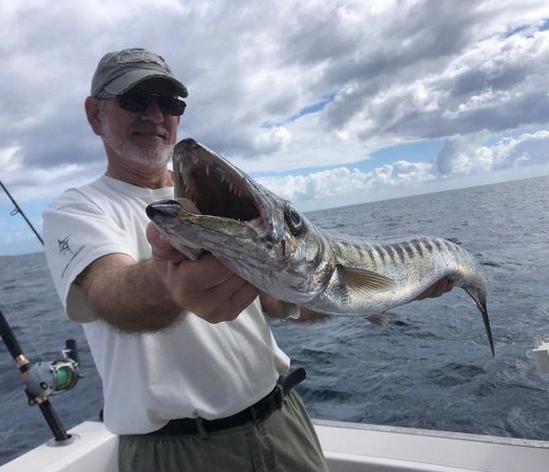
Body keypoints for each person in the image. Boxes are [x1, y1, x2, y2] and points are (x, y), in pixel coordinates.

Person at [43, 47, 453, 472]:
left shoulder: (219, 203)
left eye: (168, 103)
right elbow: (110, 292)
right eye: (133, 99)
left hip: (282, 421)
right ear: (95, 114)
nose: (154, 114)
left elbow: (282, 304)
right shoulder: (77, 211)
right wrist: (167, 280)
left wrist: (392, 290)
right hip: (173, 453)